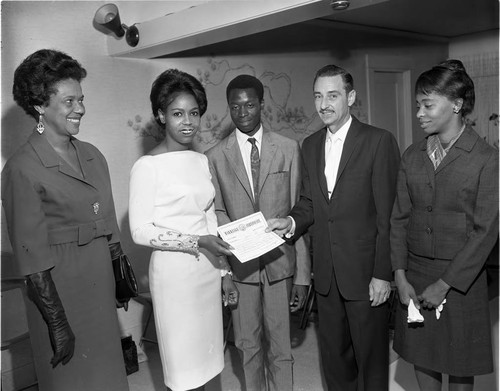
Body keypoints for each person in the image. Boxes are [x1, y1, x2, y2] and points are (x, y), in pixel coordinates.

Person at [1, 49, 130, 391]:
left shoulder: (93, 154)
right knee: (71, 379)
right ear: (41, 105)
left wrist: (120, 276)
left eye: (82, 99)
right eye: (69, 101)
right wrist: (57, 323)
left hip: (99, 286)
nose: (81, 109)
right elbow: (32, 260)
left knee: (108, 376)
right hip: (59, 295)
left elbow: (109, 223)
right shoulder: (21, 168)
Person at [267, 64, 401, 391]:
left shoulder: (378, 141)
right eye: (318, 96)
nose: (324, 104)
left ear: (350, 97)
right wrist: (292, 220)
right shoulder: (310, 145)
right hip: (326, 277)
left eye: (333, 95)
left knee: (371, 364)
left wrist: (383, 273)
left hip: (365, 274)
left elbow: (389, 215)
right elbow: (310, 203)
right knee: (334, 361)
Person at [390, 60, 498, 391]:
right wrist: (400, 275)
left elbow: (486, 232)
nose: (419, 112)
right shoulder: (412, 156)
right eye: (418, 104)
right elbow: (399, 219)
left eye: (427, 104)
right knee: (424, 356)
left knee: (459, 362)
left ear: (456, 104)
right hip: (416, 275)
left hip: (462, 280)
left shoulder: (486, 159)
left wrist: (446, 284)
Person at [128, 68, 239, 391]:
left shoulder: (200, 160)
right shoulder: (147, 167)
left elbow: (209, 220)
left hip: (206, 271)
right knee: (183, 370)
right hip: (174, 278)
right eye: (177, 114)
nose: (188, 122)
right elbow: (139, 230)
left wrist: (224, 273)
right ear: (161, 115)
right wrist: (196, 240)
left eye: (193, 113)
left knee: (208, 364)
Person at [205, 74, 311, 391]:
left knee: (281, 348)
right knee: (247, 346)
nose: (243, 112)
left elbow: (298, 214)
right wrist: (224, 271)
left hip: (281, 264)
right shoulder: (214, 157)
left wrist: (303, 276)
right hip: (241, 268)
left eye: (250, 104)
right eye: (235, 106)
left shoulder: (289, 149)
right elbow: (217, 213)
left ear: (261, 104)